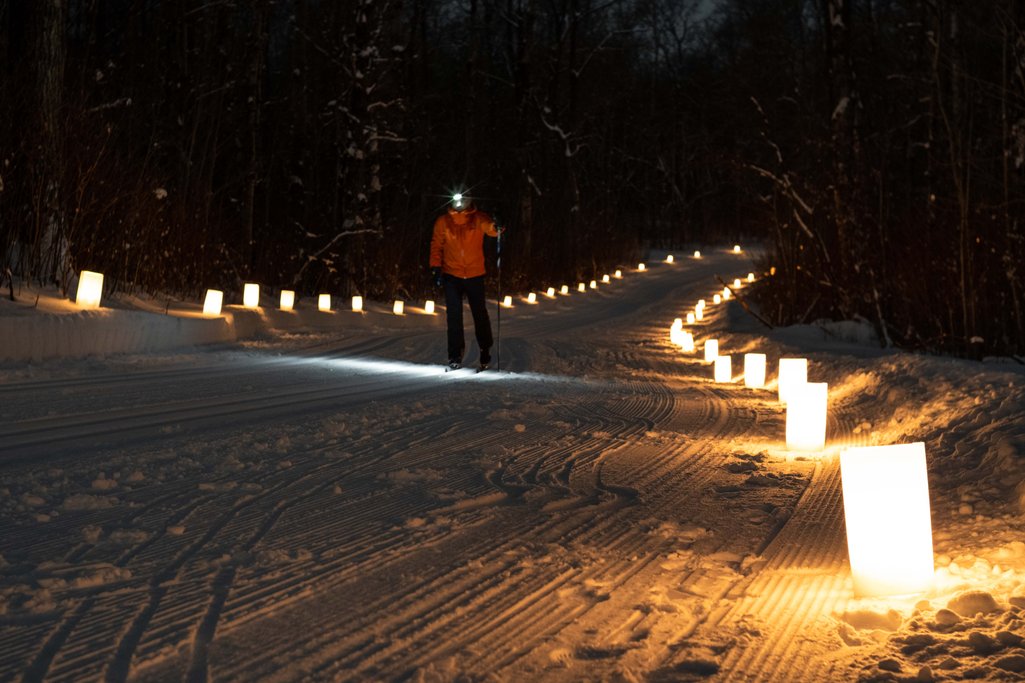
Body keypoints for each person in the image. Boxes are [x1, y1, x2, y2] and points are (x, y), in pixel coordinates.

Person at [429, 194, 501, 370]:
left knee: (479, 314)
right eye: (456, 200)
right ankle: (455, 355)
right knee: (453, 317)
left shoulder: (477, 219)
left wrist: (495, 227)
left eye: (463, 199)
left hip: (474, 275)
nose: (460, 203)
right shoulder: (443, 221)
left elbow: (489, 227)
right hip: (451, 275)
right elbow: (436, 244)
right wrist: (435, 267)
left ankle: (485, 349)